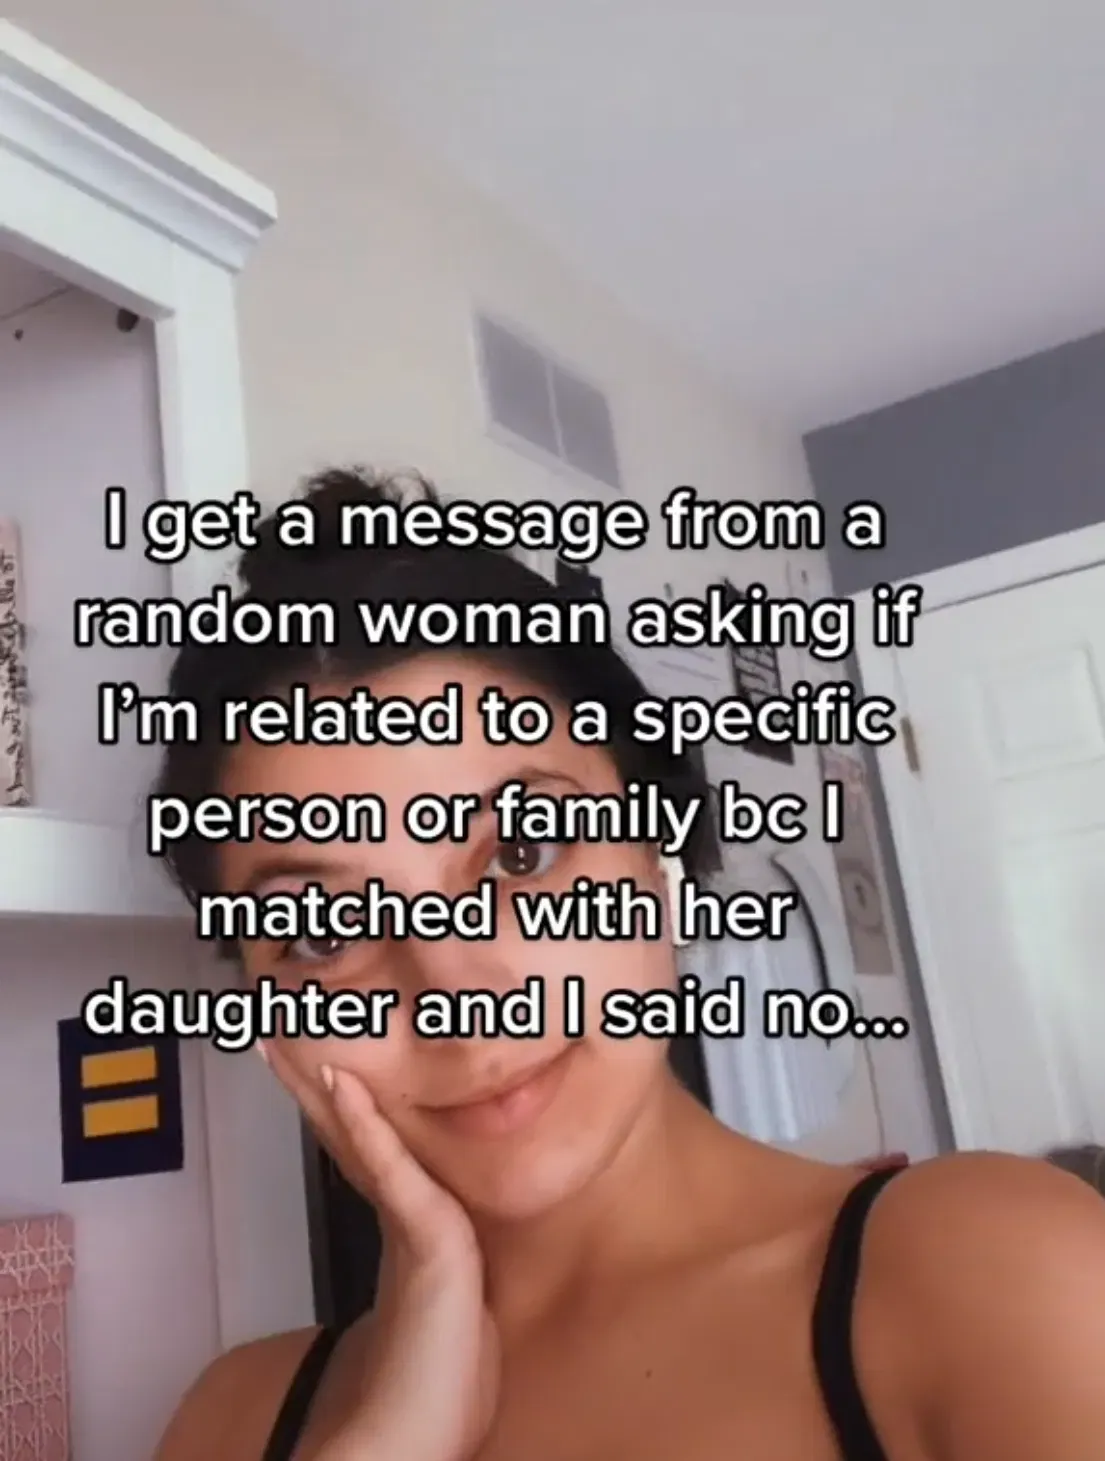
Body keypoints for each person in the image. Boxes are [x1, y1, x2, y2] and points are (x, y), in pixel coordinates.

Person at [153, 469, 1105, 1461]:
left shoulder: (986, 1276)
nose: (460, 1002)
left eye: (523, 853)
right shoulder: (233, 1421)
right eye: (323, 932)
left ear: (657, 859)